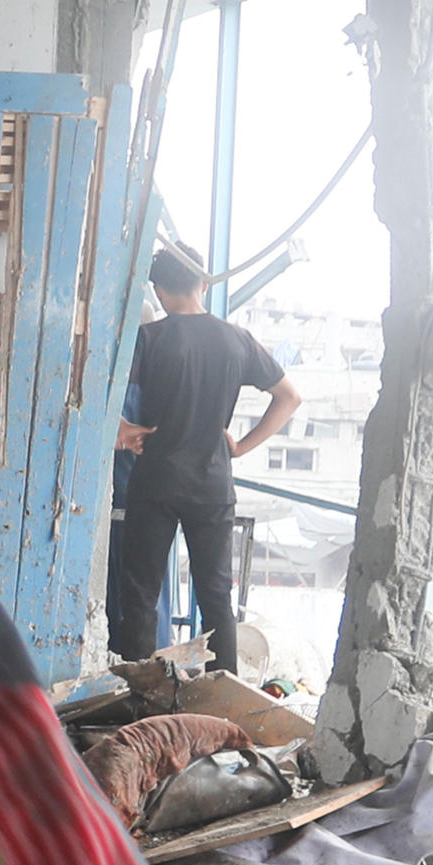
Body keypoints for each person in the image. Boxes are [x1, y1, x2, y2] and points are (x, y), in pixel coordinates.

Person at [107, 247, 295, 662]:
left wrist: (122, 430)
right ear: (204, 285)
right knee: (215, 598)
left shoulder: (150, 338)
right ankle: (223, 691)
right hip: (212, 484)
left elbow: (103, 391)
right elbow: (289, 397)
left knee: (140, 598)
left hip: (154, 481)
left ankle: (143, 696)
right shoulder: (237, 340)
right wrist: (240, 447)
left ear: (158, 291)